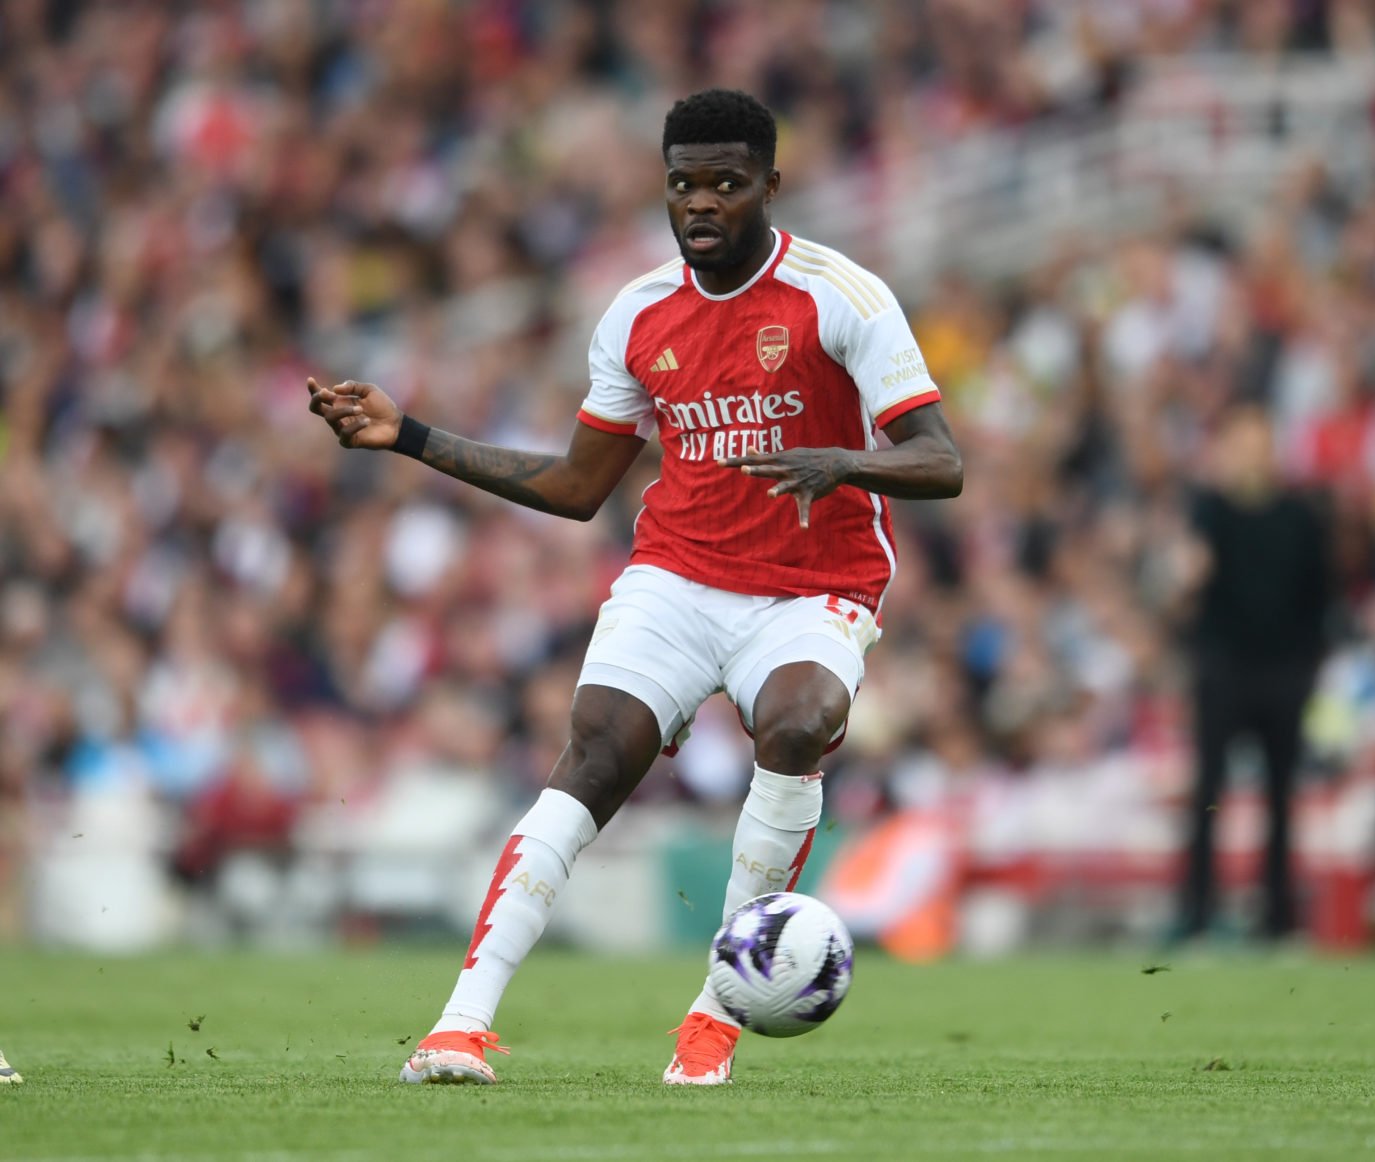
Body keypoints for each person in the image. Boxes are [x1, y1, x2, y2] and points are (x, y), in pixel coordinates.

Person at [307, 89, 962, 1086]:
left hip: (813, 583)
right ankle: (460, 1024)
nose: (701, 203)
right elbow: (578, 487)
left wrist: (841, 460)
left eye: (727, 184)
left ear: (770, 187)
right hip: (679, 575)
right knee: (597, 751)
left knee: (796, 723)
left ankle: (715, 1012)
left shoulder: (843, 296)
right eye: (683, 184)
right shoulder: (638, 313)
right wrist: (411, 436)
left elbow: (941, 461)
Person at [1172, 403, 1332, 944]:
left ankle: (1279, 919)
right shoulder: (1208, 511)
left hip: (1283, 671)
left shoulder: (1301, 516)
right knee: (1208, 793)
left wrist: (1308, 666)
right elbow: (1186, 587)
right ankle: (1195, 914)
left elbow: (1319, 597)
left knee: (1281, 796)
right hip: (1223, 668)